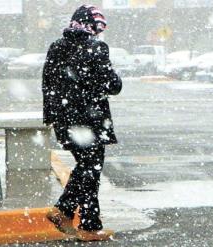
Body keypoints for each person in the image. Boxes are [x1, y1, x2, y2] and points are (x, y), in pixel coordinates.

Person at [42, 4, 122, 241]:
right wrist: (114, 76)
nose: (99, 33)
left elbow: (47, 85)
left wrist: (53, 118)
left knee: (87, 169)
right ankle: (69, 213)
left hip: (64, 120)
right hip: (90, 121)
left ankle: (86, 223)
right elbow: (113, 86)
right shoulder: (96, 47)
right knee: (90, 170)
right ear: (92, 27)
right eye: (99, 28)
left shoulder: (56, 47)